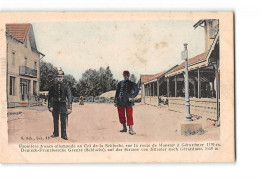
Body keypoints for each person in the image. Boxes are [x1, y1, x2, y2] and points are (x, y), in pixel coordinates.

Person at [48, 68, 72, 140]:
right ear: (56, 78)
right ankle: (55, 133)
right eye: (58, 77)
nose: (60, 78)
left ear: (63, 78)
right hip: (55, 105)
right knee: (55, 120)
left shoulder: (66, 86)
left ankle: (64, 135)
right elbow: (50, 97)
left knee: (63, 121)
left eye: (61, 77)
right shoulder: (52, 86)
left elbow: (69, 97)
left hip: (63, 105)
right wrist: (50, 106)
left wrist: (69, 107)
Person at [114, 70, 139, 135]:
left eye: (127, 76)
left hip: (128, 102)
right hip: (120, 101)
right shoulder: (120, 83)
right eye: (124, 75)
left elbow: (136, 91)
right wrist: (115, 101)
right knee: (121, 115)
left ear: (129, 76)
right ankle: (124, 128)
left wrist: (132, 97)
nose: (125, 77)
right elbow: (117, 93)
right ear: (123, 76)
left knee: (129, 115)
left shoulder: (132, 84)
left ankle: (131, 130)